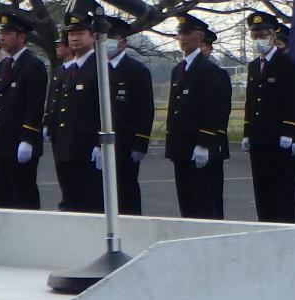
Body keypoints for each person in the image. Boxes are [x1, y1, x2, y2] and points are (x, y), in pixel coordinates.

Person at [242, 8, 295, 223]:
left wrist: (293, 131)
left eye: (262, 35)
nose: (258, 39)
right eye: (255, 35)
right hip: (259, 137)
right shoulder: (255, 66)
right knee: (262, 187)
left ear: (273, 35)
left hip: (281, 137)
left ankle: (288, 227)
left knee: (283, 186)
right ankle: (267, 225)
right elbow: (251, 101)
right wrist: (247, 132)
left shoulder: (288, 64)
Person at [164, 14, 230, 217]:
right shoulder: (179, 69)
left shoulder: (210, 70)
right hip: (182, 144)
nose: (182, 38)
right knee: (186, 200)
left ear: (200, 37)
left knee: (205, 200)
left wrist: (205, 142)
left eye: (187, 33)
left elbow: (214, 109)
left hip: (199, 144)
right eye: (179, 33)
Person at [0, 5, 47, 210]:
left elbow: (34, 105)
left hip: (20, 142)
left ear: (22, 37)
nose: (2, 37)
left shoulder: (32, 65)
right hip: (1, 141)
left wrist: (28, 139)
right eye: (1, 33)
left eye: (8, 33)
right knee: (3, 196)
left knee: (23, 195)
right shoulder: (4, 66)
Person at [51, 13, 103, 213]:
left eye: (80, 33)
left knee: (89, 203)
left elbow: (106, 110)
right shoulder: (67, 70)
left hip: (87, 149)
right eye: (71, 34)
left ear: (92, 36)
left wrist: (100, 144)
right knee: (69, 202)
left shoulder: (99, 67)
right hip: (66, 146)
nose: (74, 38)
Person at [103, 18, 154, 214]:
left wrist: (140, 144)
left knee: (126, 192)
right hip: (100, 143)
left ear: (123, 42)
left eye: (112, 38)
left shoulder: (136, 71)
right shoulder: (98, 68)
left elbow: (144, 110)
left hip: (125, 143)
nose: (107, 42)